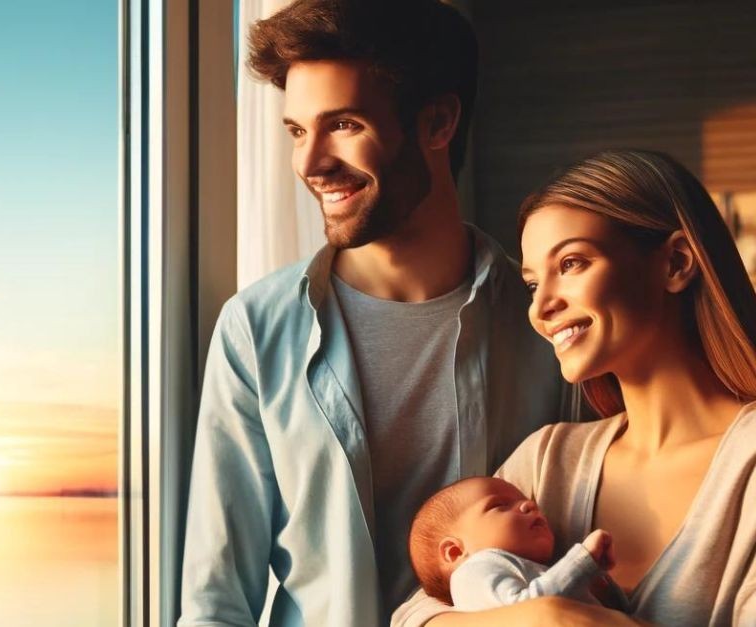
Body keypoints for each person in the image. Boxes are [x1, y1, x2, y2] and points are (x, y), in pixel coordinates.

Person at [177, 1, 577, 625]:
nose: (309, 164)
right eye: (297, 131)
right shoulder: (255, 330)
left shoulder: (548, 324)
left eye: (342, 124)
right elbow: (216, 602)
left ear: (438, 121)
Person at [393, 150, 756, 626]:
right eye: (530, 284)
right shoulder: (549, 461)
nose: (541, 307)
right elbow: (414, 617)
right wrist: (544, 617)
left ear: (676, 263)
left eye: (571, 263)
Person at [408, 476, 616, 611]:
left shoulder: (540, 572)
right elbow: (527, 612)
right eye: (500, 505)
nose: (529, 504)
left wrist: (599, 586)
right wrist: (581, 562)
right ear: (455, 552)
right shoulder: (471, 573)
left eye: (524, 499)